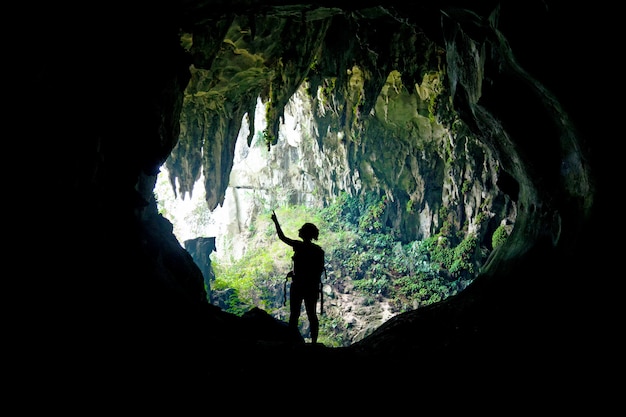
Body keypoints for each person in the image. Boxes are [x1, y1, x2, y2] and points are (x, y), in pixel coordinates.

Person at [271, 210, 324, 344]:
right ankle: (314, 342)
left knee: (294, 314)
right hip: (311, 287)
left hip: (298, 286)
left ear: (305, 233)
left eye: (301, 230)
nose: (299, 232)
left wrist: (276, 222)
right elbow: (317, 270)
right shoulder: (319, 251)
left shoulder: (298, 246)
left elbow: (282, 237)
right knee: (312, 314)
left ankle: (291, 343)